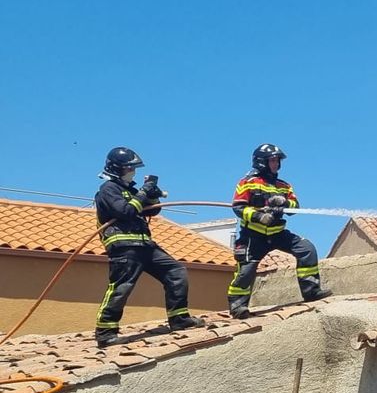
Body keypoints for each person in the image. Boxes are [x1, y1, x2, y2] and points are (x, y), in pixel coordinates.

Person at [93, 147, 203, 348]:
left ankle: (179, 319)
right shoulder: (108, 190)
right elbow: (125, 211)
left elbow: (154, 209)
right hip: (124, 247)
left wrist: (151, 194)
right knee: (121, 287)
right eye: (129, 168)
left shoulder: (130, 191)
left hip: (145, 246)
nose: (132, 172)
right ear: (117, 168)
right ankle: (106, 332)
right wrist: (143, 193)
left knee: (176, 271)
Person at [226, 143, 332, 318]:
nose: (276, 164)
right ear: (261, 162)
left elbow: (295, 207)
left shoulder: (284, 185)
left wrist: (283, 202)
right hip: (253, 236)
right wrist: (259, 217)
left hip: (278, 233)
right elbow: (238, 208)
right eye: (272, 160)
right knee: (246, 271)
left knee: (307, 249)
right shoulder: (247, 183)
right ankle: (238, 306)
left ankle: (311, 291)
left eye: (277, 160)